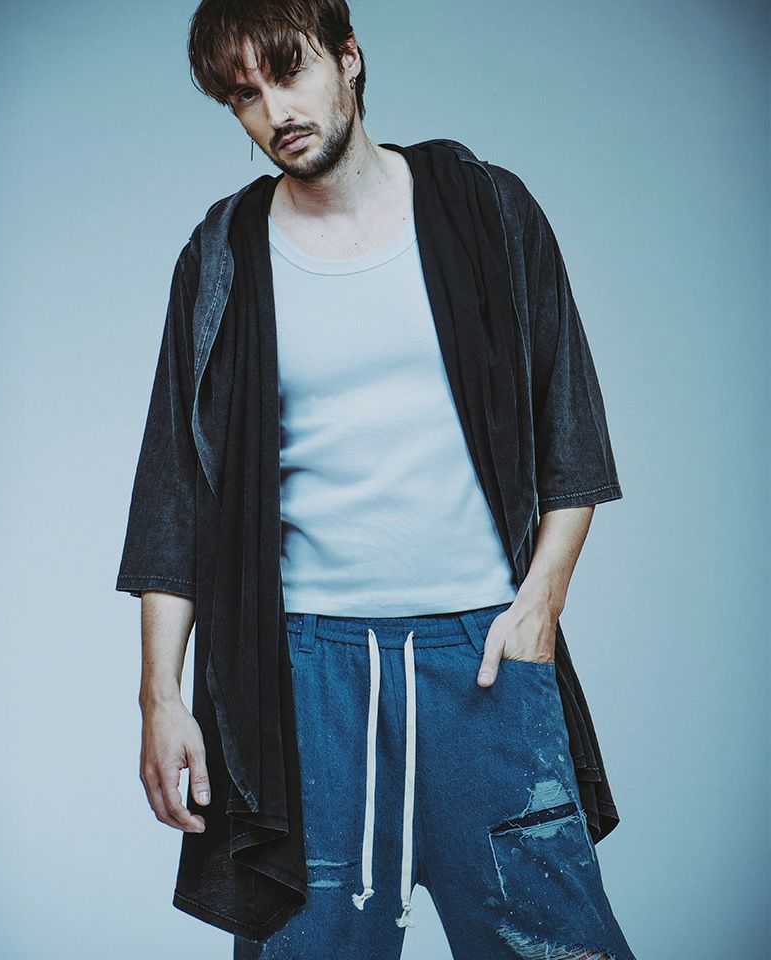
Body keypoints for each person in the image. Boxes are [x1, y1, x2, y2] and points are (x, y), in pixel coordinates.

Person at [116, 2, 637, 958]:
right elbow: (175, 490)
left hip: (481, 657)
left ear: (349, 58)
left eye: (289, 71)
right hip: (303, 676)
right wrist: (161, 694)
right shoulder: (223, 254)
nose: (275, 111)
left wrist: (539, 608)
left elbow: (571, 431)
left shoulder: (486, 210)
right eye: (244, 96)